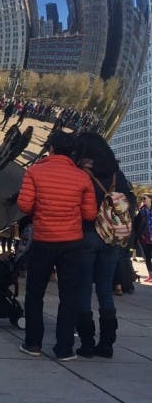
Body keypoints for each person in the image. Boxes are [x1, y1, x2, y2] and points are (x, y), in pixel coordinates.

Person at [16, 130, 97, 361]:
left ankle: (32, 343)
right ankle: (64, 348)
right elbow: (90, 213)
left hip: (43, 240)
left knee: (35, 293)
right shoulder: (82, 177)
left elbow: (24, 205)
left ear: (50, 148)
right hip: (72, 242)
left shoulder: (35, 171)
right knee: (68, 295)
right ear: (71, 152)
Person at [72, 132, 135, 358]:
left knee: (83, 289)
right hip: (111, 238)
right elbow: (131, 202)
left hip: (87, 234)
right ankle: (107, 343)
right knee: (105, 290)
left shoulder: (81, 172)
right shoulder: (116, 173)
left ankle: (87, 342)